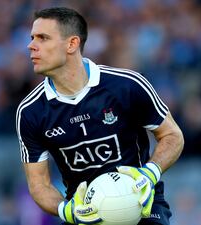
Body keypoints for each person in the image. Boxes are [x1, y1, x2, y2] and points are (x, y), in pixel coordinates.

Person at [15, 7, 184, 225]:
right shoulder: (30, 111)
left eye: (43, 38)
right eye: (32, 38)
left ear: (72, 44)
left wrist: (149, 174)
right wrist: (67, 210)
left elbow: (172, 135)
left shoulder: (127, 85)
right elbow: (39, 184)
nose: (31, 46)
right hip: (85, 215)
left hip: (142, 206)